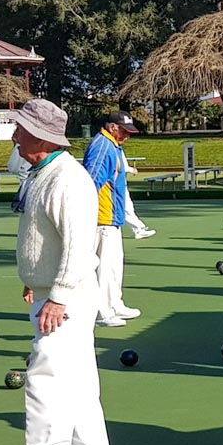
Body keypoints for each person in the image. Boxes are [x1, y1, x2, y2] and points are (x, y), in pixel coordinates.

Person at [0, 98, 110, 445]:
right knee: (76, 376)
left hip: (67, 296)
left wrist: (57, 295)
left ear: (41, 136)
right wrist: (36, 279)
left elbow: (79, 247)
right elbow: (47, 238)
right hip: (55, 290)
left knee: (45, 379)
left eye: (21, 129)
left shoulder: (67, 179)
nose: (14, 135)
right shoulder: (43, 173)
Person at [85, 112, 141, 328]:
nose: (127, 136)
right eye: (124, 131)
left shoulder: (114, 146)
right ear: (112, 127)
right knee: (104, 269)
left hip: (113, 217)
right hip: (102, 218)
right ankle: (101, 312)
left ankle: (115, 304)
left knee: (115, 267)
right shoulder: (102, 146)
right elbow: (91, 181)